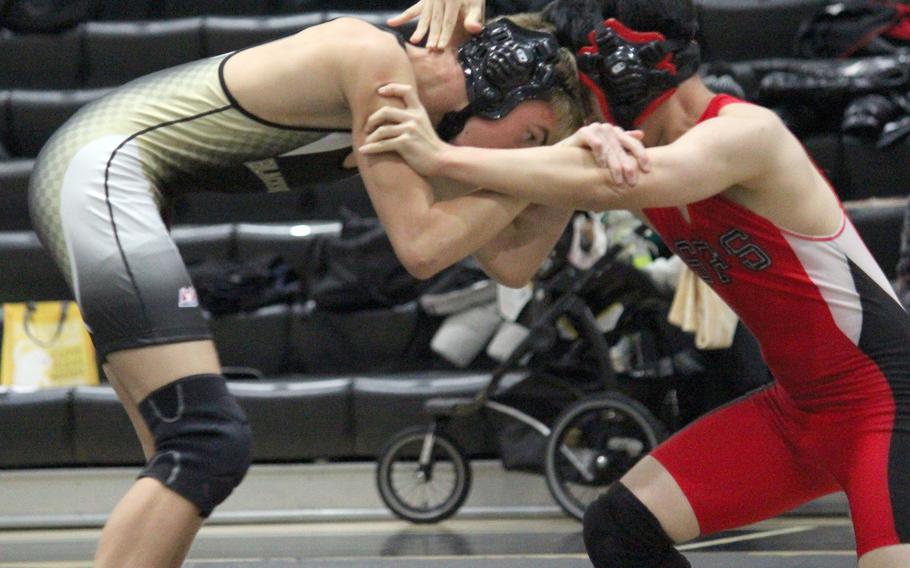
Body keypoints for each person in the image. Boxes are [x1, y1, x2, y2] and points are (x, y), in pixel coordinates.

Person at [28, 13, 586, 568]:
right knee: (203, 445)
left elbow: (512, 263)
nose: (518, 160)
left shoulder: (428, 125)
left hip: (113, 183)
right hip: (98, 170)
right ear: (494, 89)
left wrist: (559, 173)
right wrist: (553, 169)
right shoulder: (377, 64)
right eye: (529, 138)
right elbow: (422, 248)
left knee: (179, 464)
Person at [368, 0, 910, 566]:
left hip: (891, 403)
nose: (576, 113)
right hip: (799, 412)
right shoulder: (631, 155)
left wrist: (442, 159)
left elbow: (638, 183)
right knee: (620, 529)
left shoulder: (748, 134)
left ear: (629, 77)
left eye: (582, 96)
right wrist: (459, 143)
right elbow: (512, 264)